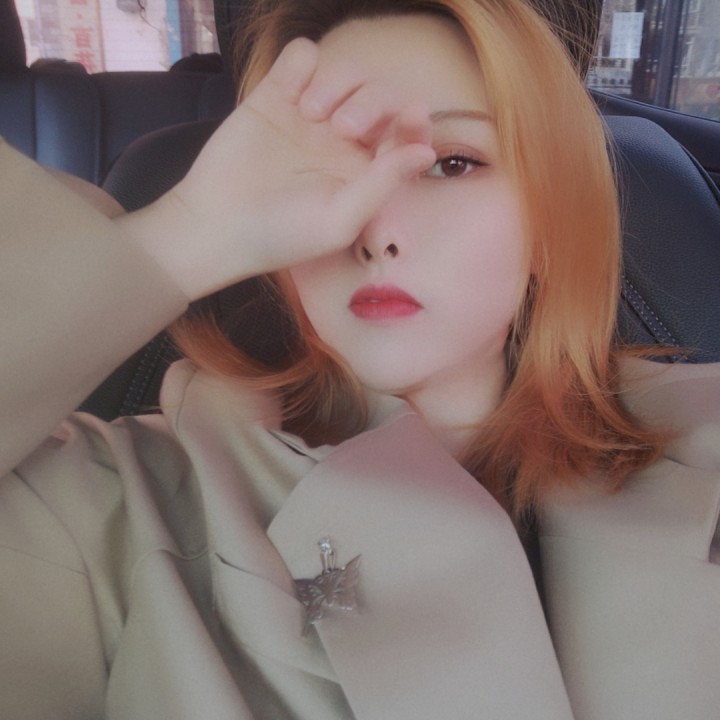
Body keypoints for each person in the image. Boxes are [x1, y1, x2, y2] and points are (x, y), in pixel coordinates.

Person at [0, 0, 718, 718]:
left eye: (451, 163)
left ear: (551, 215)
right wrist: (186, 236)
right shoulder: (119, 506)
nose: (376, 232)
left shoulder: (703, 447)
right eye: (328, 167)